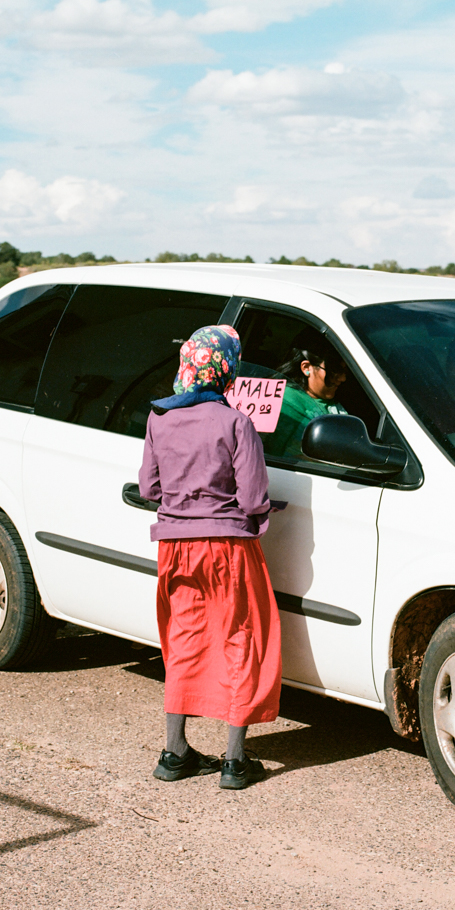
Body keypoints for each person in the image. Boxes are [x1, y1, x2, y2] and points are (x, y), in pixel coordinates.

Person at [138, 324, 282, 790]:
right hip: (226, 548)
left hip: (176, 548)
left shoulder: (158, 418)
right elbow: (254, 497)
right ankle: (235, 762)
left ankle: (174, 752)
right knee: (239, 640)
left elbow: (149, 489)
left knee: (182, 642)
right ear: (227, 370)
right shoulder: (236, 422)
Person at [262, 330, 350, 459]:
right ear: (306, 368)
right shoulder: (282, 400)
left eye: (344, 371)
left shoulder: (333, 402)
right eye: (335, 370)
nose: (342, 378)